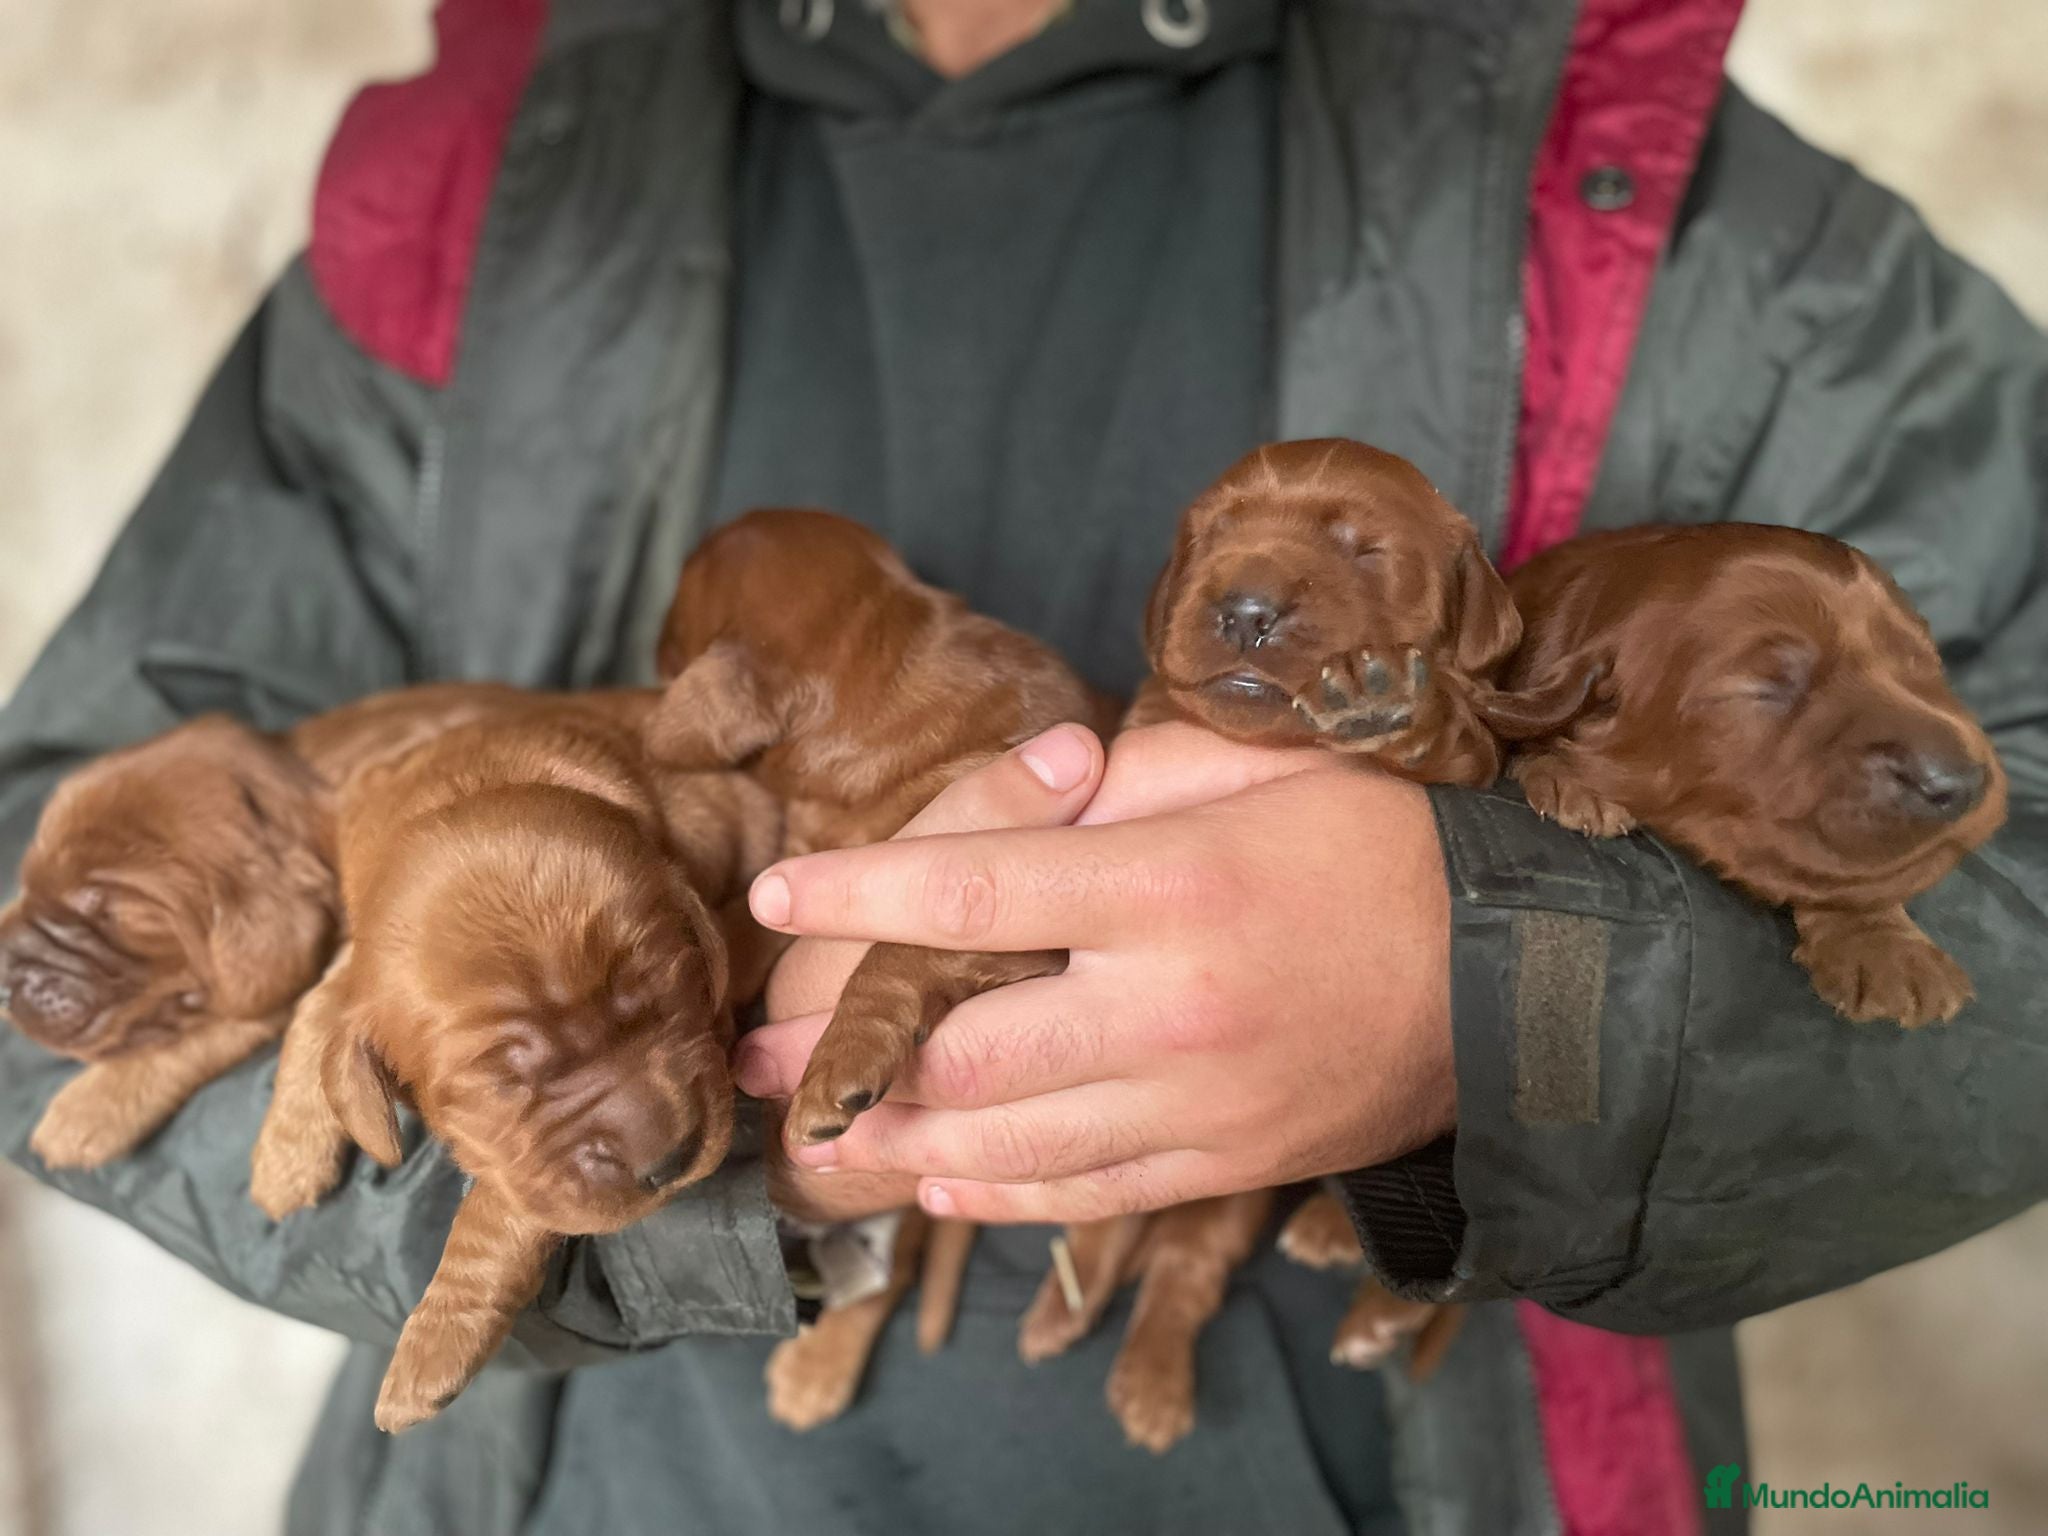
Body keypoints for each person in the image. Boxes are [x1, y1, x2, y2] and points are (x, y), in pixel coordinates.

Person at [2, 1, 2043, 1532]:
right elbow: (46, 911)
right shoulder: (501, 175)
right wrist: (644, 1122)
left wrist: (1489, 997)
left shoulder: (1656, 186)